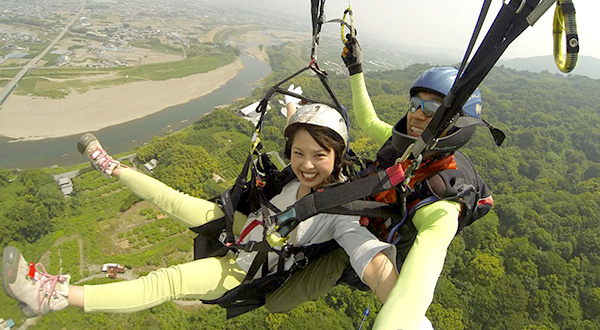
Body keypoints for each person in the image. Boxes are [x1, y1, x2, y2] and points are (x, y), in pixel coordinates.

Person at [1, 103, 399, 319]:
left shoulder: (339, 212)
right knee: (173, 200)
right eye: (298, 153)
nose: (306, 164)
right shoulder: (298, 178)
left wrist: (402, 304)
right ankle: (110, 165)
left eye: (319, 155)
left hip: (246, 267)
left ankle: (52, 296)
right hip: (246, 229)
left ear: (339, 155)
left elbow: (370, 259)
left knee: (167, 281)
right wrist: (292, 110)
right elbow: (296, 140)